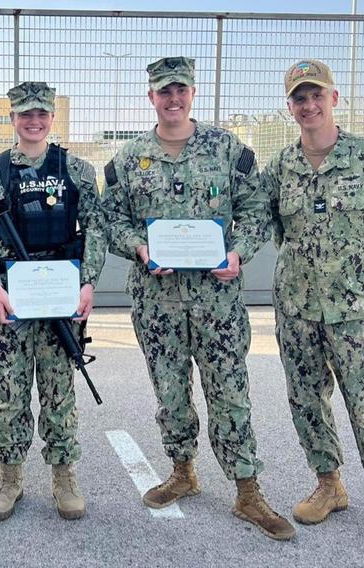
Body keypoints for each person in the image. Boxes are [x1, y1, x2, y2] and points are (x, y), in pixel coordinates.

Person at [100, 57, 295, 540]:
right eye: (164, 91)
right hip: (157, 300)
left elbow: (256, 211)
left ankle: (248, 489)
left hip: (217, 299)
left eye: (181, 89)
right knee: (170, 393)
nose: (173, 99)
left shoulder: (226, 149)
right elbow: (111, 220)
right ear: (151, 98)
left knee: (229, 392)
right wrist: (139, 248)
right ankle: (183, 471)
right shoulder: (129, 158)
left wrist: (239, 251)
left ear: (192, 93)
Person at [261, 59, 364, 554]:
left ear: (335, 99)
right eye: (299, 98)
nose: (309, 105)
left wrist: (363, 282)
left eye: (317, 95)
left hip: (357, 312)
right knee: (306, 401)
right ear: (291, 107)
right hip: (298, 309)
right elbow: (273, 230)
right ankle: (329, 484)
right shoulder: (281, 167)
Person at [0, 81, 106, 521]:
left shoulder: (77, 169)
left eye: (42, 113)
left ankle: (63, 478)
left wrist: (88, 283)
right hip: (11, 302)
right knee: (9, 394)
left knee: (60, 393)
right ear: (13, 119)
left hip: (61, 298)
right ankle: (10, 479)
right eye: (25, 114)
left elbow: (96, 227)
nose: (34, 121)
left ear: (51, 118)